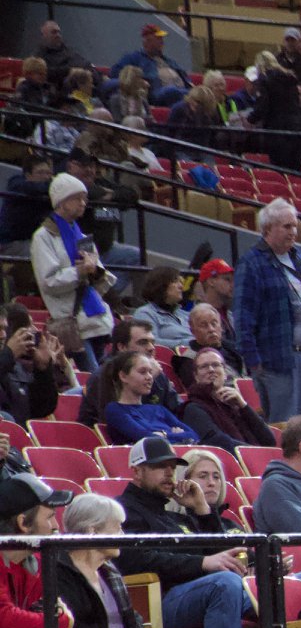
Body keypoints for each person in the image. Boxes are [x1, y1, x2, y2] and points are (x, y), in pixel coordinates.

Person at [114, 437, 260, 628]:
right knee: (224, 584)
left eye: (172, 467)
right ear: (137, 472)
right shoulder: (123, 510)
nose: (169, 474)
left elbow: (219, 555)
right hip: (154, 602)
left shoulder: (174, 515)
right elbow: (138, 559)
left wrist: (202, 510)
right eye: (160, 467)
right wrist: (203, 563)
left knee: (268, 589)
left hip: (192, 596)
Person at [54, 492, 207, 628]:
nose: (123, 534)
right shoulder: (61, 573)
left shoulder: (110, 573)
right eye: (117, 528)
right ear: (93, 531)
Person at [0, 474, 124, 628]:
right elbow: (5, 620)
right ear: (23, 523)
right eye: (49, 517)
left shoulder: (36, 562)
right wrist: (59, 623)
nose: (57, 526)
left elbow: (62, 625)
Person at [234, 199, 301, 423]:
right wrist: (255, 363)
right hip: (280, 360)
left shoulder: (299, 257)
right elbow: (244, 318)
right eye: (286, 226)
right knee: (287, 426)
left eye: (294, 226)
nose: (293, 232)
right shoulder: (251, 263)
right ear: (266, 229)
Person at [31, 174, 116, 363]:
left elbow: (103, 281)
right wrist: (80, 272)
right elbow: (48, 282)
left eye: (84, 198)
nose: (83, 203)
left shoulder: (82, 236)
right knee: (93, 380)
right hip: (72, 322)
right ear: (61, 202)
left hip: (96, 320)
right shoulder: (43, 237)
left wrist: (94, 271)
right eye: (77, 198)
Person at [100, 351, 238, 451]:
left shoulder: (158, 409)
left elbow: (192, 435)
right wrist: (173, 433)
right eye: (142, 372)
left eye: (150, 372)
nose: (149, 377)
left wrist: (163, 434)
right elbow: (148, 438)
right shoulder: (115, 409)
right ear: (123, 376)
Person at [180, 349, 274, 449]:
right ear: (196, 376)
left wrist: (244, 406)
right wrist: (253, 452)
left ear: (225, 373)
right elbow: (217, 441)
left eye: (216, 365)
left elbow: (269, 440)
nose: (211, 369)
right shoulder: (193, 408)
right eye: (204, 366)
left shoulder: (234, 404)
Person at [112, 24, 192, 108]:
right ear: (147, 41)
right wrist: (139, 81)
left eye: (162, 38)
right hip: (157, 92)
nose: (162, 41)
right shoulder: (134, 57)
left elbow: (186, 78)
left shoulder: (168, 61)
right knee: (171, 91)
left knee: (201, 93)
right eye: (158, 38)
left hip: (182, 90)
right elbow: (115, 72)